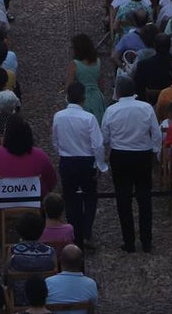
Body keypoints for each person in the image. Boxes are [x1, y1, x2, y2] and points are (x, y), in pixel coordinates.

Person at [101, 75, 161, 253]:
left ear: (118, 92)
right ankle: (146, 241)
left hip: (120, 156)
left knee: (123, 200)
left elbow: (104, 137)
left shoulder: (111, 110)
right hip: (142, 155)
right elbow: (156, 133)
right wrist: (154, 151)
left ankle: (129, 242)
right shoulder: (146, 108)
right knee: (145, 199)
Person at [51, 81, 107, 250]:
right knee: (90, 198)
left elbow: (55, 141)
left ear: (67, 97)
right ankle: (86, 232)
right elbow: (98, 145)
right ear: (83, 98)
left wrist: (63, 153)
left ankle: (74, 233)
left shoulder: (58, 116)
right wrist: (100, 164)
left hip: (67, 161)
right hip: (86, 162)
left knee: (69, 198)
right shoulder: (89, 118)